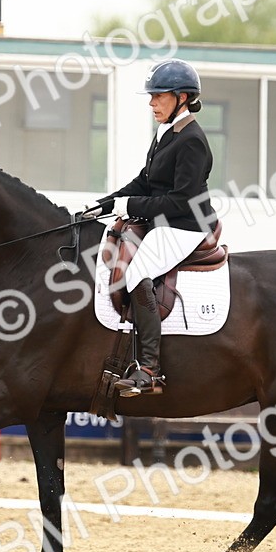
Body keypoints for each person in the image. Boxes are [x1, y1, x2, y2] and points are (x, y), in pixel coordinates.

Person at [83, 59, 217, 396]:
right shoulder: (166, 133)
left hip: (186, 225)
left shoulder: (192, 140)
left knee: (136, 272)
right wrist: (107, 202)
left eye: (159, 96)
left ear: (182, 97)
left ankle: (149, 369)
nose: (151, 102)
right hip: (166, 221)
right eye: (152, 96)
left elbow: (179, 202)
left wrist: (127, 206)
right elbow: (145, 182)